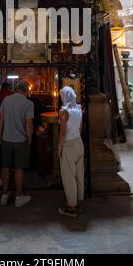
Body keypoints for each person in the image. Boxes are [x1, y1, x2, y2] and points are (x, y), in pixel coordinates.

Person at [0, 81, 34, 208]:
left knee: (5, 167)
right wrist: (29, 138)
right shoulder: (28, 103)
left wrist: (0, 135)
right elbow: (29, 124)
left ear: (16, 88)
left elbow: (1, 119)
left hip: (6, 139)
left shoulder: (6, 100)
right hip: (20, 140)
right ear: (27, 90)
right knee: (19, 168)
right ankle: (18, 197)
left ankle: (4, 194)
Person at [58, 86, 84, 218]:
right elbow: (80, 127)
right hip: (79, 143)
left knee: (69, 176)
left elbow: (62, 132)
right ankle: (79, 202)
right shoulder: (79, 108)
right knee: (79, 174)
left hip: (68, 145)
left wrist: (60, 147)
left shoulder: (63, 111)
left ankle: (71, 208)